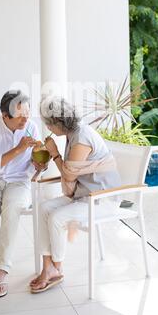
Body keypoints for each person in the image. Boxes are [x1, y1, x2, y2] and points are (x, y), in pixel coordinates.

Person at [30, 97, 121, 293]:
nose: (47, 127)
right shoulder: (73, 134)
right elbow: (72, 172)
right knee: (44, 208)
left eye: (48, 123)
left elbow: (69, 173)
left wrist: (54, 153)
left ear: (57, 123)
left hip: (102, 199)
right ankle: (48, 267)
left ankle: (57, 268)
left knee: (56, 217)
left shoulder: (81, 137)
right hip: (85, 195)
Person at [0, 90, 44, 298]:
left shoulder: (31, 127)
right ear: (5, 115)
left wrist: (39, 164)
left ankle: (2, 269)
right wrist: (18, 148)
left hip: (19, 181)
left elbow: (36, 163)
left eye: (28, 113)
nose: (25, 120)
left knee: (12, 208)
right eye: (20, 116)